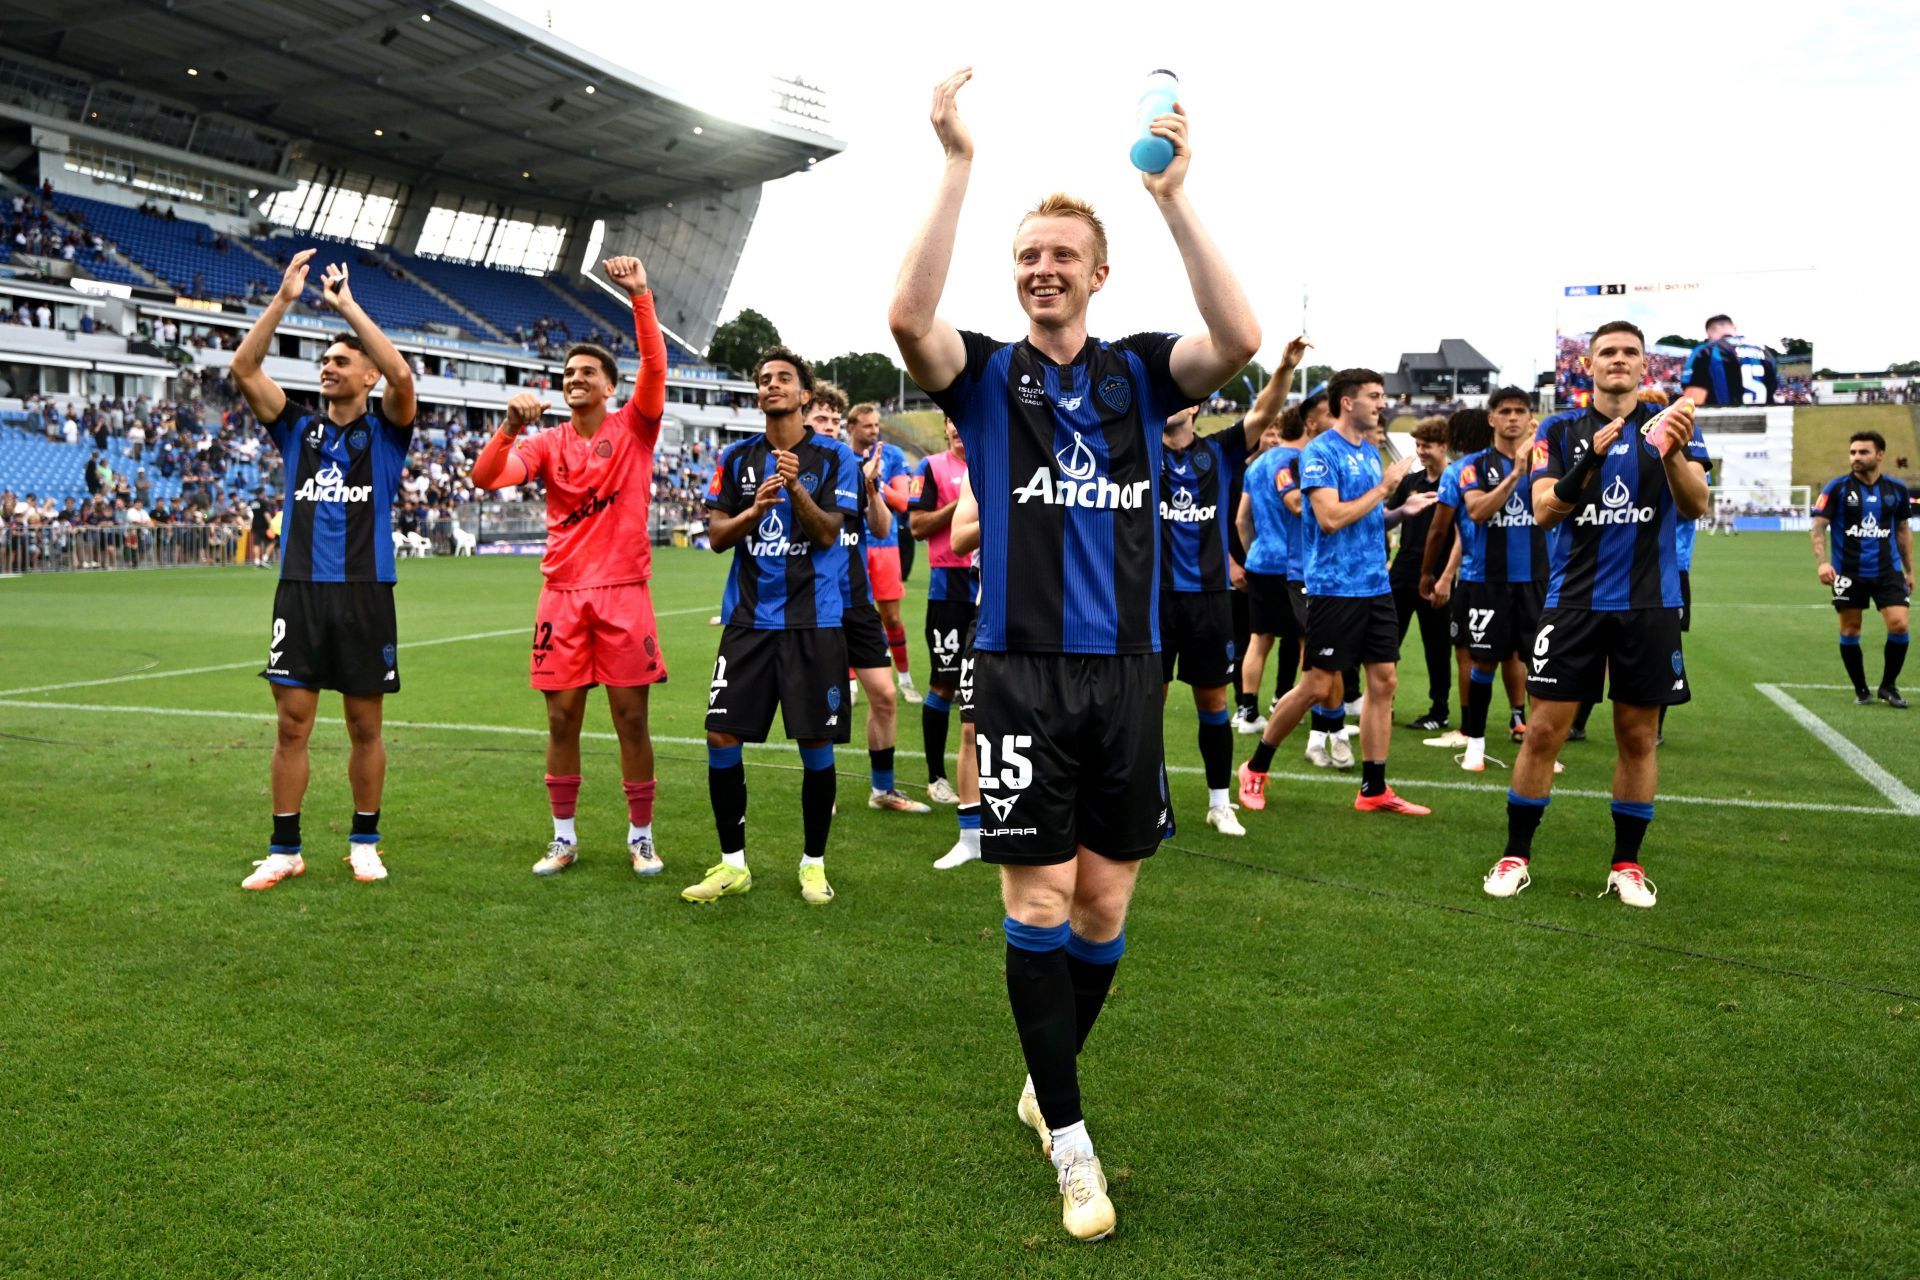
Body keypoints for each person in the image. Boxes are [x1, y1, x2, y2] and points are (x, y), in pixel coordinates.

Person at [888, 68, 1260, 1242]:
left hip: (1125, 675)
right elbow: (907, 322)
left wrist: (1174, 197)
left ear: (1097, 275)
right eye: (1029, 254)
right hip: (1019, 672)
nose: (1043, 267)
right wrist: (956, 163)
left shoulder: (1141, 374)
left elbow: (1240, 339)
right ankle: (1074, 1140)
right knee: (1039, 896)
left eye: (1063, 254)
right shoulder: (990, 377)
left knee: (1102, 910)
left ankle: (1045, 1076)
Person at [1481, 321, 1709, 909]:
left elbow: (1696, 503)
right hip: (1573, 604)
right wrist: (1589, 463)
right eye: (1607, 352)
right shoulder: (1558, 429)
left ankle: (1627, 866)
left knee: (1637, 737)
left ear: (1644, 366)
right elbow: (1543, 511)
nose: (1618, 360)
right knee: (1542, 733)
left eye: (1630, 352)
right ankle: (1515, 855)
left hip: (1649, 605)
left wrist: (1675, 450)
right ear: (1589, 365)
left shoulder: (1674, 424)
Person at [468, 255, 672, 878]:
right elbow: (486, 478)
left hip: (622, 592)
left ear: (611, 386)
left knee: (631, 718)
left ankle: (641, 836)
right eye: (568, 373)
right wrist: (505, 429)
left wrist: (640, 296)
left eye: (587, 372)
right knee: (561, 717)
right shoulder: (546, 442)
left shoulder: (635, 428)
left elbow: (657, 368)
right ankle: (563, 837)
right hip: (562, 595)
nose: (575, 378)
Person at [231, 249, 416, 890]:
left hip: (366, 592)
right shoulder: (296, 430)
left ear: (366, 375)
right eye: (325, 362)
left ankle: (365, 839)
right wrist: (284, 299)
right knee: (291, 723)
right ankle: (285, 847)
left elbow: (401, 374)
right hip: (301, 592)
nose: (328, 368)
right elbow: (243, 367)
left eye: (341, 361)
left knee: (365, 724)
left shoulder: (388, 432)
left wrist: (346, 307)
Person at [690, 346, 863, 906]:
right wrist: (754, 509)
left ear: (804, 395)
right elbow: (717, 537)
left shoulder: (836, 457)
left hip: (814, 621)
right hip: (748, 621)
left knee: (815, 741)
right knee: (721, 733)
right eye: (764, 380)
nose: (770, 386)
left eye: (783, 379)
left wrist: (794, 490)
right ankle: (732, 863)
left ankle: (813, 864)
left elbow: (828, 534)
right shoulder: (737, 457)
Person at [1237, 369, 1431, 817]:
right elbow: (1329, 518)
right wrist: (1385, 488)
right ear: (1348, 402)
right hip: (1332, 588)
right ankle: (1255, 766)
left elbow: (1362, 518)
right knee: (1318, 685)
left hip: (1373, 585)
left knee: (1384, 682)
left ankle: (1374, 788)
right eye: (1374, 396)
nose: (1382, 404)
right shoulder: (1321, 453)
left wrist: (1399, 510)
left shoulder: (1367, 452)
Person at [1160, 335, 1308, 836]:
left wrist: (1284, 369)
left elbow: (1264, 412)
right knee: (1145, 708)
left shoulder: (1220, 452)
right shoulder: (1135, 451)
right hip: (1151, 600)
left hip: (1208, 599)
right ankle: (1154, 804)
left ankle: (1219, 802)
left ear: (1197, 405)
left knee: (1214, 704)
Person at [804, 383, 930, 813]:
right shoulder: (796, 469)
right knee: (827, 701)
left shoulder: (850, 469)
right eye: (821, 418)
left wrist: (873, 488)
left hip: (857, 602)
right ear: (804, 420)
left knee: (884, 694)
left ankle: (883, 789)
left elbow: (879, 529)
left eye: (834, 420)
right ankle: (824, 788)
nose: (830, 426)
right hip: (817, 604)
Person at [1453, 387, 1546, 771]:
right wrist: (1515, 477)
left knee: (1540, 667)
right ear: (1491, 419)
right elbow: (1477, 511)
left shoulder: (1547, 463)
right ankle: (1474, 745)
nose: (1512, 417)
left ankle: (1539, 749)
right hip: (1487, 582)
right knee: (1484, 663)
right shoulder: (1474, 465)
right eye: (1505, 411)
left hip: (1537, 581)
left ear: (1529, 418)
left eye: (1520, 411)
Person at [1811, 430, 1912, 708]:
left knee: (1900, 624)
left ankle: (1888, 686)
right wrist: (1823, 563)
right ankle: (1861, 689)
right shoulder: (1837, 488)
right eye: (1853, 452)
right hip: (1846, 573)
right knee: (1851, 630)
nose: (1856, 457)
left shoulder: (1896, 490)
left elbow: (1903, 531)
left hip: (1887, 571)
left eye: (1863, 452)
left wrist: (1910, 570)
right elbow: (1818, 527)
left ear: (1879, 455)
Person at [906, 418, 976, 804]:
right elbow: (917, 526)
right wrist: (960, 505)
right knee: (944, 682)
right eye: (952, 423)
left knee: (992, 686)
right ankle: (936, 777)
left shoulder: (995, 459)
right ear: (947, 428)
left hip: (992, 585)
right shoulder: (930, 467)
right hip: (949, 587)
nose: (959, 429)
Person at [845, 401, 922, 704]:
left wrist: (875, 483)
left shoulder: (892, 454)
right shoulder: (839, 456)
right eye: (868, 425)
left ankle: (904, 678)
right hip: (851, 546)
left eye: (876, 424)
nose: (874, 430)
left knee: (891, 617)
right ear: (851, 427)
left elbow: (903, 502)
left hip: (885, 545)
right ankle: (850, 682)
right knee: (848, 615)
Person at [1386, 416, 1453, 731]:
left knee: (1436, 644)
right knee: (1387, 642)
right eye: (1417, 445)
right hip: (1402, 571)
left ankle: (1439, 711)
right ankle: (1384, 703)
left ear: (1443, 445)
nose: (1421, 451)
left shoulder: (1455, 481)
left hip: (1437, 574)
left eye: (1427, 445)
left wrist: (1447, 577)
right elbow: (1387, 516)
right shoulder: (1410, 482)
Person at [1681, 314, 1778, 408]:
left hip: (1723, 422)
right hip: (1761, 421)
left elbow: (1693, 400)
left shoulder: (1706, 351)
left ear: (1709, 333)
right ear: (1734, 328)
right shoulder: (1765, 352)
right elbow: (1771, 393)